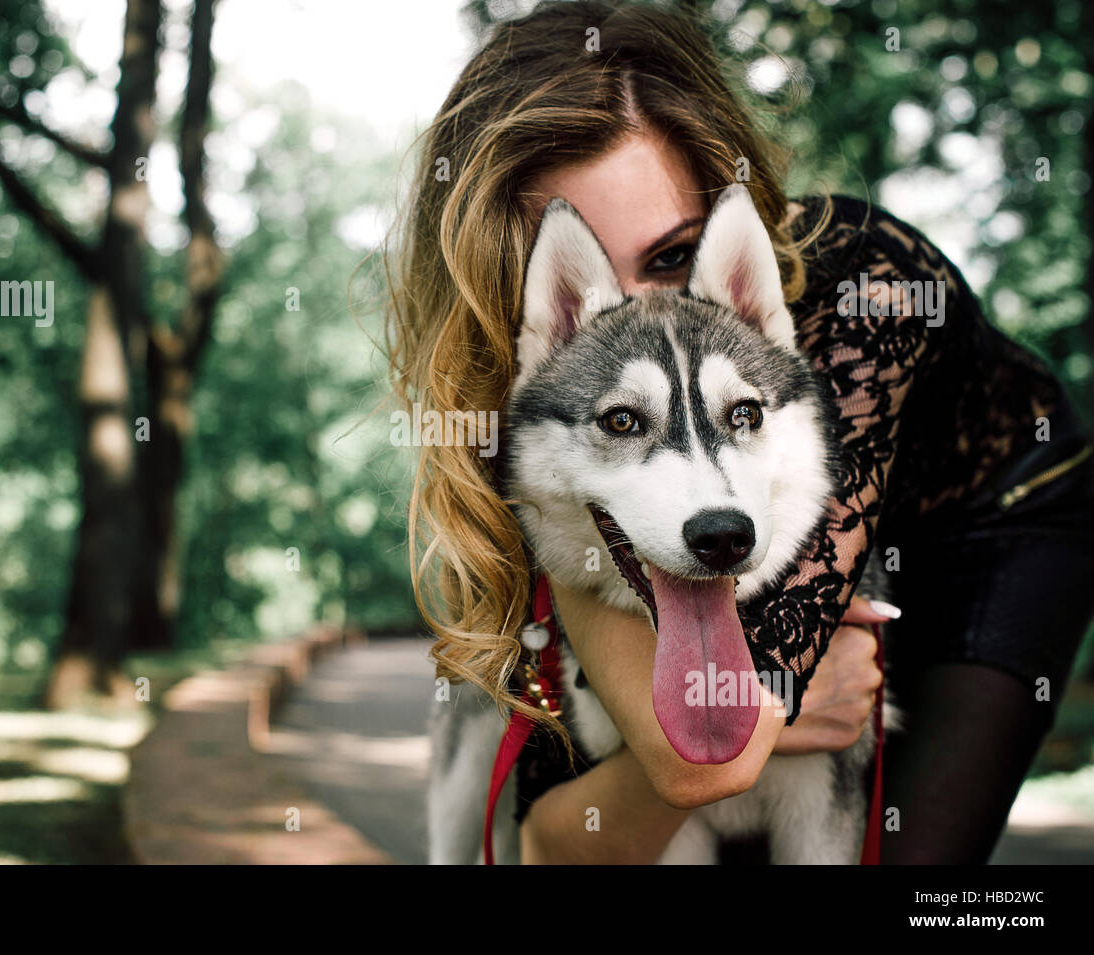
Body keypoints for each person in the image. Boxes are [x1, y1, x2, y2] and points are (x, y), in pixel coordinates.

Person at [385, 0, 1094, 863]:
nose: (639, 323)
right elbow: (572, 832)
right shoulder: (536, 383)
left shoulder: (866, 283)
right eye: (587, 273)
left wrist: (756, 708)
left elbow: (705, 755)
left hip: (990, 520)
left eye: (674, 255)